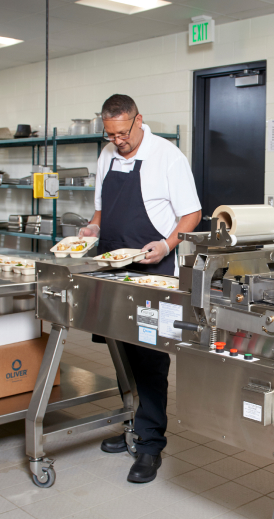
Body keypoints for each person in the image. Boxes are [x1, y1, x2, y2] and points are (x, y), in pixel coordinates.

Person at [80, 94, 202, 483]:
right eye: (110, 135)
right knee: (120, 351)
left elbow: (192, 214)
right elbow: (101, 207)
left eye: (123, 133)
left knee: (150, 359)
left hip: (155, 270)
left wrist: (167, 245)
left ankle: (150, 444)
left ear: (138, 121)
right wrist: (92, 228)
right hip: (114, 267)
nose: (118, 141)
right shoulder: (107, 156)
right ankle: (132, 424)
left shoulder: (168, 157)